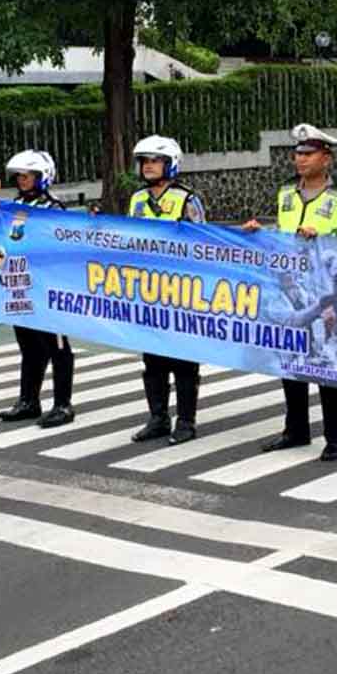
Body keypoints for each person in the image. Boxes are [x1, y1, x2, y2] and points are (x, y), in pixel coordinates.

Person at [244, 123, 337, 462]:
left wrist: (322, 241)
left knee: (328, 364)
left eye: (308, 153)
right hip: (289, 287)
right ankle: (295, 430)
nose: (300, 159)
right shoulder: (285, 192)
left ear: (327, 158)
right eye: (297, 153)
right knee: (291, 359)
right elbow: (282, 235)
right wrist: (257, 232)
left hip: (325, 291)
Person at [127, 135, 208, 446]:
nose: (148, 166)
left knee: (184, 359)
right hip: (148, 291)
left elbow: (203, 243)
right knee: (153, 359)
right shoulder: (136, 200)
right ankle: (158, 417)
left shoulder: (188, 200)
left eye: (155, 161)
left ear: (170, 164)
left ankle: (186, 420)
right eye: (145, 161)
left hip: (181, 291)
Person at [0, 150, 76, 428]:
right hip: (21, 287)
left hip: (48, 287)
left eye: (27, 176)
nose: (22, 180)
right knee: (29, 346)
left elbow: (63, 246)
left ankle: (63, 404)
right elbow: (5, 241)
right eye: (19, 176)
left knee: (58, 346)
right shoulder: (14, 206)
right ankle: (28, 400)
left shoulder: (53, 209)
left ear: (42, 177)